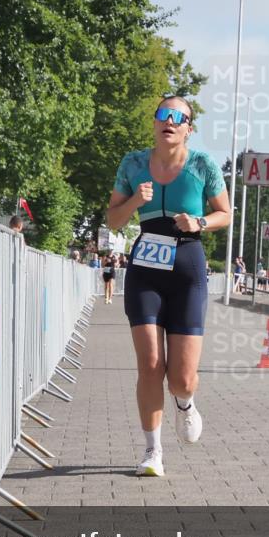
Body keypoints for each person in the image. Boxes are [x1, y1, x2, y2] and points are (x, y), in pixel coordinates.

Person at [106, 96, 231, 477]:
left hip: (187, 268)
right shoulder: (132, 163)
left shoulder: (202, 165)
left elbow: (225, 213)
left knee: (181, 378)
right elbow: (112, 219)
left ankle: (186, 404)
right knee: (149, 365)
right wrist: (134, 203)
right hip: (146, 265)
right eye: (164, 114)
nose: (170, 121)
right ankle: (152, 451)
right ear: (155, 122)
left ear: (189, 128)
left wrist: (200, 223)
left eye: (180, 117)